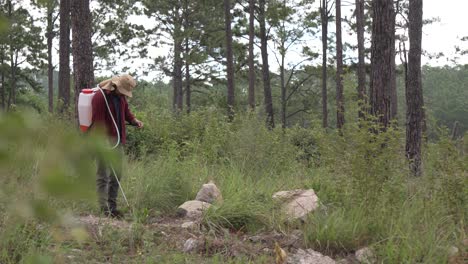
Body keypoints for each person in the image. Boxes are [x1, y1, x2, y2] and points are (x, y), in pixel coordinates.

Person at [91, 74, 143, 218]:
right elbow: (98, 123)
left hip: (118, 140)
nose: (125, 95)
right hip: (103, 141)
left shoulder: (120, 97)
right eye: (124, 91)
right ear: (117, 86)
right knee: (103, 175)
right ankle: (103, 209)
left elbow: (126, 112)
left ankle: (112, 207)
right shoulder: (100, 98)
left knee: (116, 174)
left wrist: (133, 120)